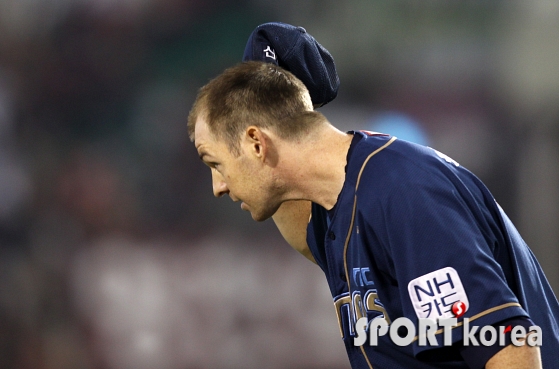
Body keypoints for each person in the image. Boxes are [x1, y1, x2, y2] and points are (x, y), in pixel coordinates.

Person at [187, 22, 559, 369]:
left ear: (255, 142)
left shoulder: (401, 191)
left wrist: (264, 97)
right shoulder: (334, 207)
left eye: (214, 162)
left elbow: (511, 346)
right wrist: (264, 88)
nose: (218, 186)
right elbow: (289, 194)